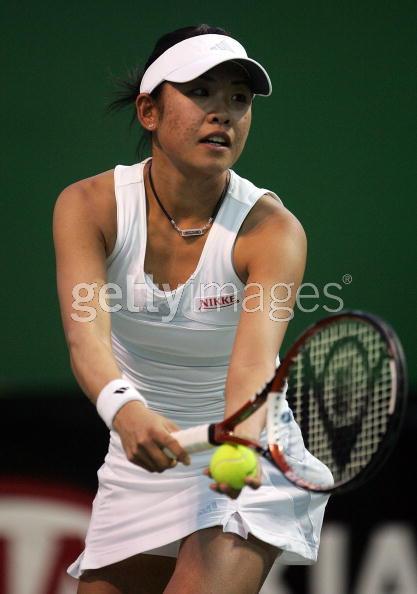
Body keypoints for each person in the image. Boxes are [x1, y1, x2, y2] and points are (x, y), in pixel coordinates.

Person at [53, 24, 330, 594]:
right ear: (149, 112)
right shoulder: (88, 206)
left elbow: (253, 369)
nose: (222, 113)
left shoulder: (272, 232)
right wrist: (124, 411)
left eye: (238, 99)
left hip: (243, 444)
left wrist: (241, 443)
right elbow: (87, 339)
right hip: (140, 450)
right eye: (201, 93)